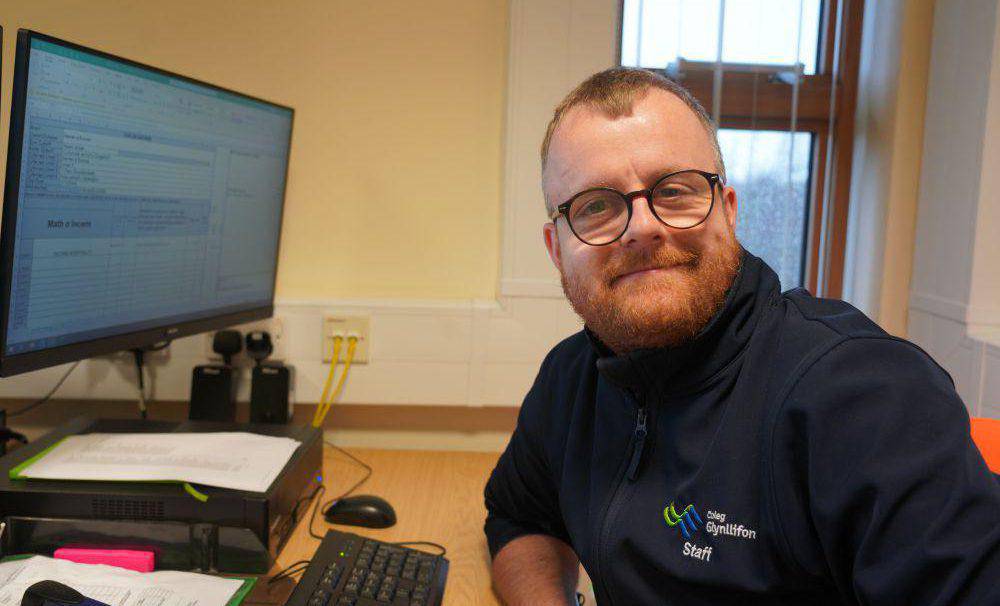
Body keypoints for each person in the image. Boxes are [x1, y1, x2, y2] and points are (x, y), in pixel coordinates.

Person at [483, 66, 1000, 606]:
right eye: (594, 206)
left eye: (675, 190)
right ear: (555, 248)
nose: (641, 227)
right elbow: (521, 517)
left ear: (727, 212)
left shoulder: (868, 396)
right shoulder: (571, 377)